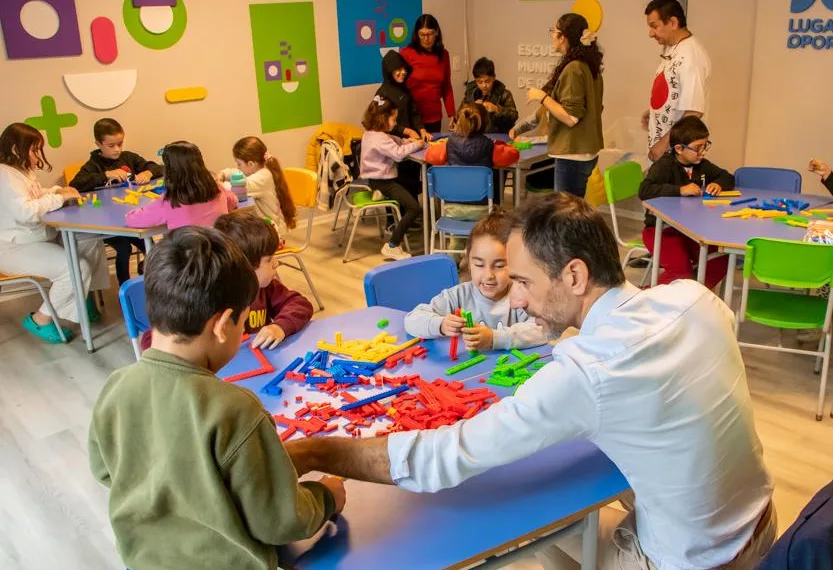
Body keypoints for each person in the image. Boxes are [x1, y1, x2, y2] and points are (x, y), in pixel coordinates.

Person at [285, 192, 776, 570]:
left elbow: (444, 457)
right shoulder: (696, 298)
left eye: (523, 281)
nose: (516, 299)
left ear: (576, 276)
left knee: (546, 537)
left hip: (695, 560)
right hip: (762, 524)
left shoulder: (585, 372)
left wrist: (317, 451)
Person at [88, 226, 344, 570]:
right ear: (224, 325)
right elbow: (281, 522)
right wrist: (326, 497)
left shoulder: (115, 386)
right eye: (242, 324)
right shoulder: (236, 409)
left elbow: (105, 471)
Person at [0, 123, 109, 343]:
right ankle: (40, 319)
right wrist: (59, 197)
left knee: (89, 240)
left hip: (37, 237)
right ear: (15, 149)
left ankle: (82, 296)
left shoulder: (22, 171)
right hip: (14, 246)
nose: (38, 155)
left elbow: (36, 196)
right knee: (76, 268)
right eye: (33, 150)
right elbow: (26, 211)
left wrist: (57, 191)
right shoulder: (4, 175)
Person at [405, 209, 546, 351]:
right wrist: (440, 325)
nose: (488, 275)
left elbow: (543, 330)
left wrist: (494, 338)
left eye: (499, 266)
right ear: (469, 263)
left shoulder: (520, 299)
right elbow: (411, 319)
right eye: (479, 264)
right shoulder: (458, 296)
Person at [638, 116, 732, 290]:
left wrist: (718, 184)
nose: (703, 152)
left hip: (690, 231)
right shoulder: (664, 165)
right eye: (698, 148)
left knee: (721, 259)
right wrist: (679, 190)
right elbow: (644, 191)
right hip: (660, 230)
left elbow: (727, 176)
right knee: (680, 271)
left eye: (705, 146)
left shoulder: (701, 165)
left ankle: (692, 294)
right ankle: (645, 297)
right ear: (679, 148)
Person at [70, 118, 163, 285]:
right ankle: (124, 288)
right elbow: (75, 185)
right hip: (107, 224)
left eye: (120, 143)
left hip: (129, 219)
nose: (117, 149)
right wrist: (105, 175)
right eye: (111, 145)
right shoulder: (93, 165)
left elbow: (158, 167)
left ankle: (152, 281)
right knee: (124, 248)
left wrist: (148, 172)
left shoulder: (129, 158)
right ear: (98, 144)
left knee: (149, 245)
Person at [527, 13, 604, 199]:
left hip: (572, 154)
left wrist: (542, 97)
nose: (552, 35)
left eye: (554, 31)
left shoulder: (574, 68)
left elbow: (571, 117)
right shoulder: (588, 66)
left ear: (563, 37)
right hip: (584, 150)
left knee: (565, 213)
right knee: (573, 210)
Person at [214, 211, 313, 350]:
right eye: (268, 259)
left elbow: (299, 304)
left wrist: (279, 326)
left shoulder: (266, 287)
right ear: (245, 267)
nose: (276, 263)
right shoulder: (214, 299)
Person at [643, 0, 711, 162]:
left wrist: (664, 144)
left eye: (654, 26)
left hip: (677, 154)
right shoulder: (673, 48)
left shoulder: (691, 55)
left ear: (673, 22)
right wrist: (654, 113)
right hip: (665, 151)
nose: (650, 33)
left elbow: (694, 111)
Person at [359, 95, 425, 261]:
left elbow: (394, 141)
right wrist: (416, 144)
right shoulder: (380, 139)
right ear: (383, 118)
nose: (396, 123)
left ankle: (379, 193)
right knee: (415, 208)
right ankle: (393, 245)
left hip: (375, 180)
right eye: (394, 119)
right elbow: (397, 154)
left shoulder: (370, 134)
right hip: (384, 182)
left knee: (411, 185)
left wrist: (405, 141)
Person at [125, 141, 238, 229]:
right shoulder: (217, 189)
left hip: (187, 256)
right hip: (220, 253)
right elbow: (233, 201)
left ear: (169, 171)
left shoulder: (170, 202)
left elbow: (132, 219)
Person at [217, 136, 296, 239]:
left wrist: (218, 184)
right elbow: (237, 173)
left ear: (251, 163)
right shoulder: (258, 169)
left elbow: (238, 188)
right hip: (264, 228)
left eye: (239, 164)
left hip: (272, 233)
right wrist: (223, 174)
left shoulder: (263, 177)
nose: (237, 167)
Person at [401, 14, 456, 133]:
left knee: (433, 150)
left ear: (436, 32)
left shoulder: (443, 54)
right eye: (422, 34)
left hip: (434, 116)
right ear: (417, 34)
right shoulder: (407, 53)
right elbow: (397, 85)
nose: (426, 39)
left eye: (430, 34)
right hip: (412, 116)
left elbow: (446, 86)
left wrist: (452, 114)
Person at [375, 51, 431, 143]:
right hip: (393, 143)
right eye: (398, 69)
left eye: (404, 69)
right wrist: (408, 131)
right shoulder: (382, 93)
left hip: (411, 140)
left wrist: (422, 130)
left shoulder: (405, 89)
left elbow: (414, 113)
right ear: (389, 70)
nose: (403, 72)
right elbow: (382, 123)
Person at [458, 57, 518, 134]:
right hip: (475, 135)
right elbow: (460, 113)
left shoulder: (504, 94)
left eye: (487, 81)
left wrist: (496, 109)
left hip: (498, 134)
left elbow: (514, 116)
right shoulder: (471, 92)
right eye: (479, 82)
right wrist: (472, 108)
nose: (484, 85)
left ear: (493, 78)